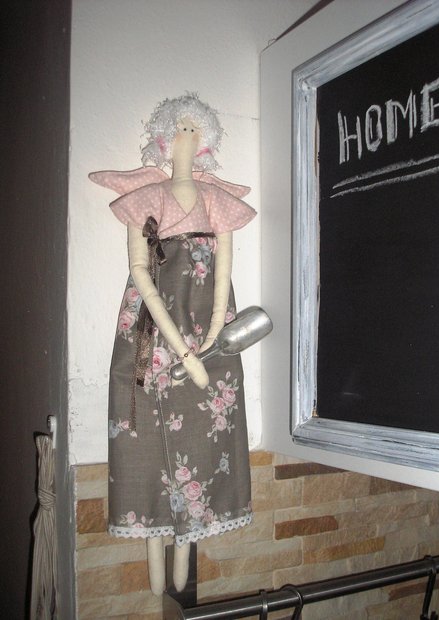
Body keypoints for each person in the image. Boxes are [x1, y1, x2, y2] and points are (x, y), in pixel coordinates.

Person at [90, 93, 256, 594]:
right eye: (179, 129)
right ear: (164, 139)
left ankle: (186, 544)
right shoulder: (147, 199)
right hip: (150, 327)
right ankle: (153, 543)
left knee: (204, 424)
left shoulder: (216, 201)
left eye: (193, 130)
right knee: (143, 421)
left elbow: (223, 273)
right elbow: (140, 272)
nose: (186, 137)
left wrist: (212, 338)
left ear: (204, 141)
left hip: (208, 325)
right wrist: (181, 351)